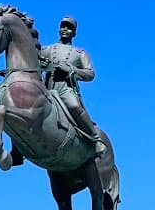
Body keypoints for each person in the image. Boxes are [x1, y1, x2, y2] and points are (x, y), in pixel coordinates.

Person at [40, 17, 106, 153]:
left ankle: (95, 138)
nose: (65, 29)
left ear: (74, 33)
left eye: (69, 27)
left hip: (65, 88)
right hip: (46, 87)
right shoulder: (46, 49)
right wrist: (41, 65)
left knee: (74, 106)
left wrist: (71, 69)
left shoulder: (79, 53)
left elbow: (90, 73)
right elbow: (32, 65)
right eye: (63, 26)